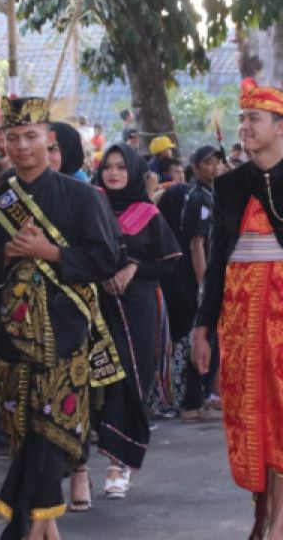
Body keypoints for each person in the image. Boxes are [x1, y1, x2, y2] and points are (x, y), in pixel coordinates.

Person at [0, 96, 125, 540]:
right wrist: (8, 253)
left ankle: (22, 533)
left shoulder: (81, 197)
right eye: (13, 139)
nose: (22, 147)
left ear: (49, 140)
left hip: (67, 339)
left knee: (50, 441)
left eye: (31, 137)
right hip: (13, 342)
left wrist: (49, 253)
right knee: (25, 445)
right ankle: (43, 532)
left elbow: (106, 260)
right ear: (2, 144)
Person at [192, 79, 283, 540]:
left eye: (254, 119)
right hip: (238, 325)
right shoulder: (229, 185)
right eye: (242, 119)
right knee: (250, 420)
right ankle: (261, 518)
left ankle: (276, 533)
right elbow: (217, 261)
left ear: (281, 127)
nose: (245, 127)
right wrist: (203, 327)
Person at [88, 143, 181, 500]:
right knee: (97, 381)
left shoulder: (147, 213)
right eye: (108, 166)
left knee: (130, 379)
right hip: (95, 306)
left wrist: (134, 267)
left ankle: (119, 464)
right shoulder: (89, 207)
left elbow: (169, 261)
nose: (113, 173)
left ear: (133, 172)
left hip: (138, 307)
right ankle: (81, 468)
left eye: (121, 167)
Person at [159, 145, 220, 421]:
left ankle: (205, 395)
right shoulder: (197, 199)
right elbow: (197, 245)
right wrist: (203, 285)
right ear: (195, 168)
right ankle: (192, 403)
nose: (215, 167)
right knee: (198, 339)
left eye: (217, 162)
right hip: (193, 279)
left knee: (212, 339)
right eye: (208, 163)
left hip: (208, 277)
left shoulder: (212, 195)